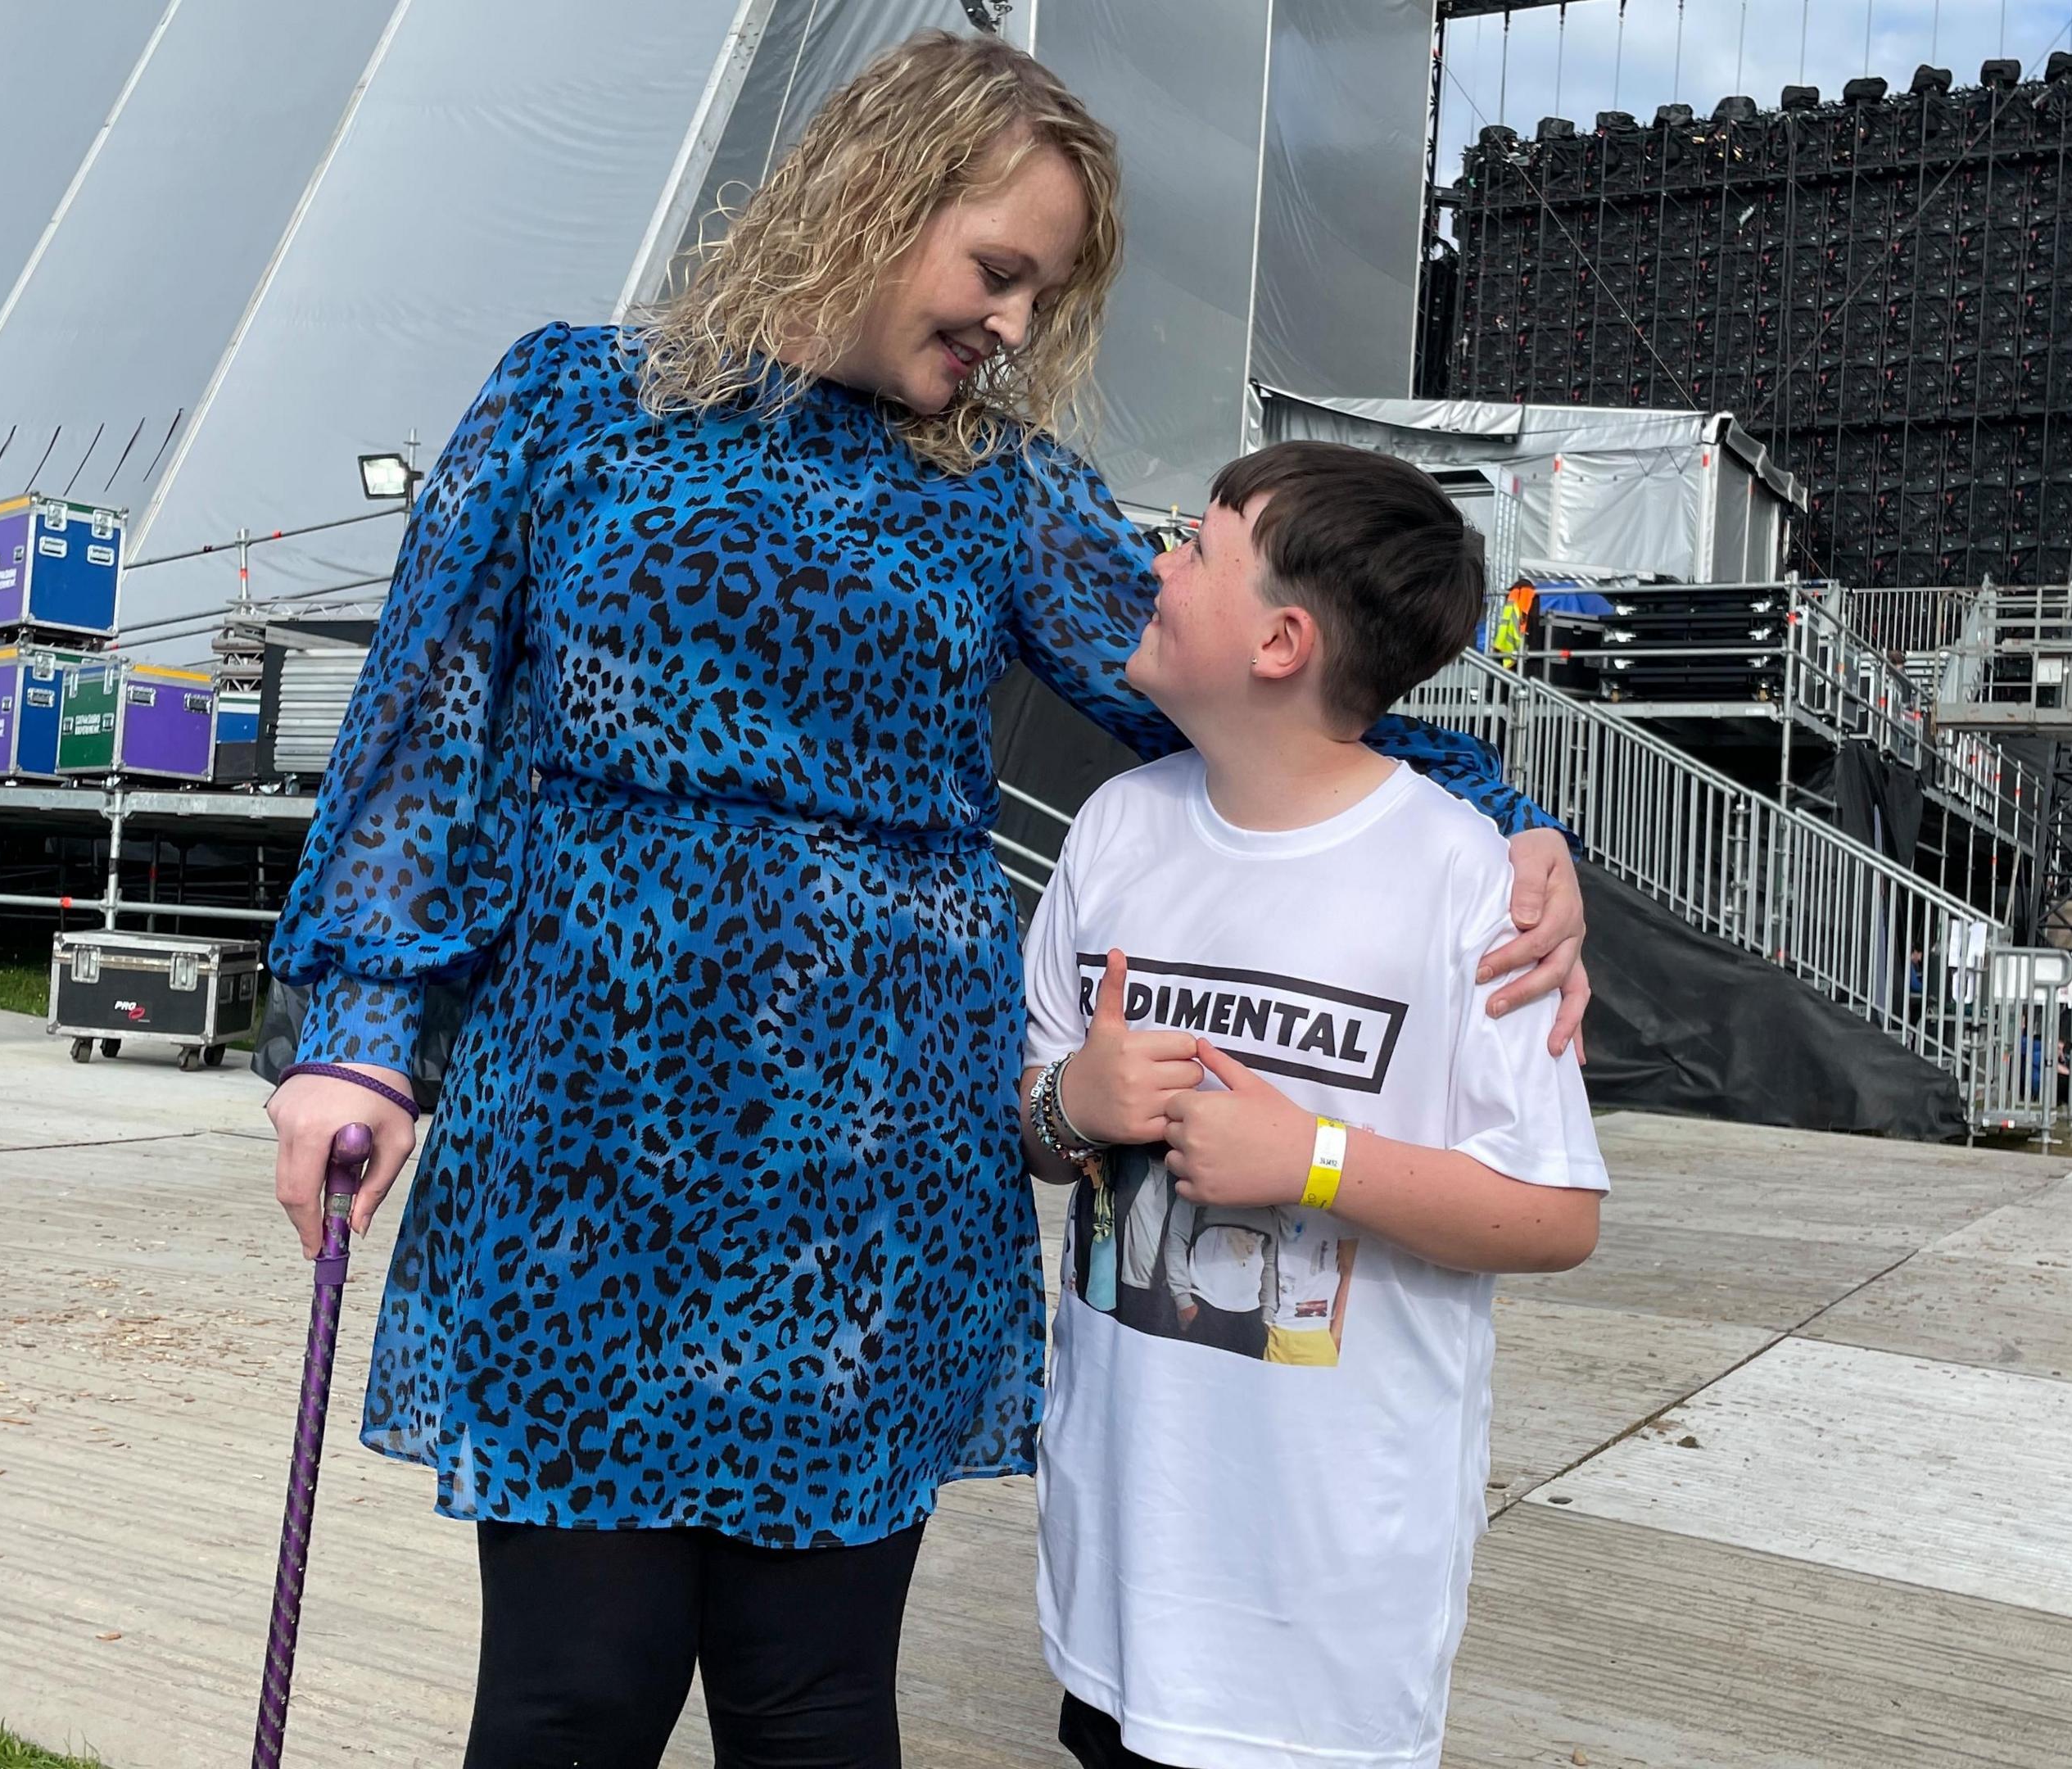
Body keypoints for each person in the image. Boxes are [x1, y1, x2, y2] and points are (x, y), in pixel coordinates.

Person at [254, 34, 1593, 1768]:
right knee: (574, 1694)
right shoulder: (571, 402)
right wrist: (362, 1044)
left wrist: (1505, 817)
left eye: (1045, 293)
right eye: (1000, 271)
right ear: (876, 197)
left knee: (813, 1703)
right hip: (582, 1155)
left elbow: (1260, 694)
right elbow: (426, 727)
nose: (1017, 326)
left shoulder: (996, 491)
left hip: (864, 1192)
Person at [1016, 441, 1607, 1769]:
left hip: (1325, 1641)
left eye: (1198, 546)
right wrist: (1079, 1100)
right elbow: (1035, 1128)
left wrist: (1313, 1159)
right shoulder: (1113, 829)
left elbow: (1560, 1214)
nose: (1155, 566)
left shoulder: (1465, 884)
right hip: (1116, 1593)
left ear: (1282, 640)